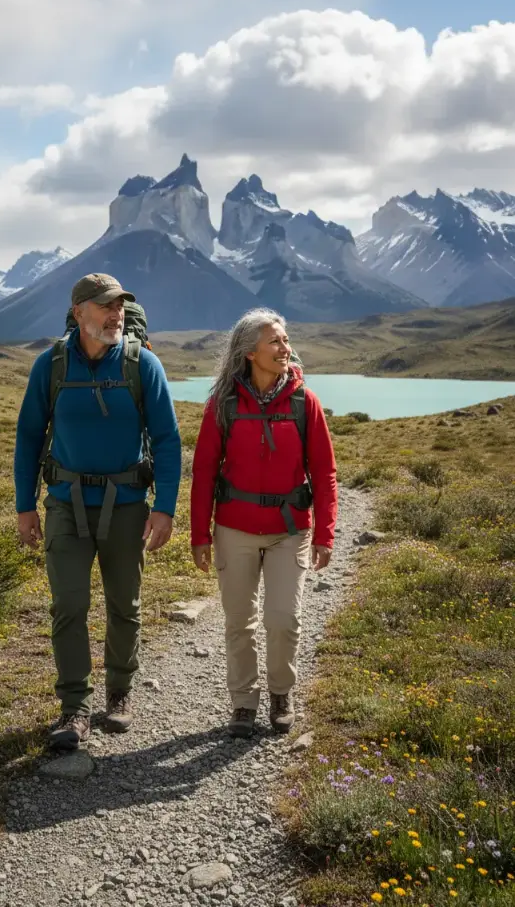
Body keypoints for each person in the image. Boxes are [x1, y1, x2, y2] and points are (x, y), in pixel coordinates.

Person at [14, 273, 182, 750]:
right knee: (69, 605)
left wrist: (165, 507)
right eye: (106, 306)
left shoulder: (142, 365)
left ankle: (120, 694)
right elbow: (28, 437)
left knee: (123, 605)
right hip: (66, 505)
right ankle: (74, 707)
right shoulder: (50, 366)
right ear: (79, 313)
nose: (116, 314)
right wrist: (25, 505)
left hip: (127, 505)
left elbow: (168, 440)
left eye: (121, 307)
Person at [190, 307, 337, 738]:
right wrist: (200, 533)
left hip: (290, 531)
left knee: (283, 619)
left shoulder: (303, 402)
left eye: (286, 339)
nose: (285, 347)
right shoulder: (223, 404)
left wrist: (324, 534)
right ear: (250, 352)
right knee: (239, 622)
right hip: (233, 530)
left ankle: (280, 693)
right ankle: (242, 704)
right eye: (275, 341)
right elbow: (203, 472)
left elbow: (325, 472)